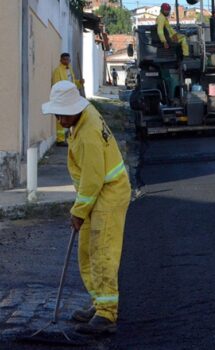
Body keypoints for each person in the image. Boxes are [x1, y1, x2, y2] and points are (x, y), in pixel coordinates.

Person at [42, 81, 131, 335]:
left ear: (74, 108)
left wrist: (78, 212)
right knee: (87, 251)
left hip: (108, 192)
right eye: (57, 114)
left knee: (102, 251)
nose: (59, 119)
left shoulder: (88, 133)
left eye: (62, 113)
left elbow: (92, 179)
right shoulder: (82, 117)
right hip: (98, 191)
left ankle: (107, 314)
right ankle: (99, 302)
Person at [156, 2, 189, 102]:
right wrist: (164, 41)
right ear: (162, 10)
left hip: (171, 37)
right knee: (184, 39)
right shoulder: (161, 18)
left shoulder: (162, 18)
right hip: (170, 39)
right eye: (166, 10)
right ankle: (186, 56)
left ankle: (182, 56)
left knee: (181, 36)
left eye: (168, 10)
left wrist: (175, 34)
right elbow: (160, 31)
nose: (167, 12)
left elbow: (169, 29)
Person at [51, 53, 84, 146]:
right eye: (64, 59)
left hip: (70, 97)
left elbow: (73, 84)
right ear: (61, 60)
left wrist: (79, 83)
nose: (66, 61)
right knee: (61, 118)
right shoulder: (57, 71)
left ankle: (70, 137)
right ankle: (60, 139)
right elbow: (56, 86)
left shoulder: (70, 70)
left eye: (68, 60)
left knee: (71, 117)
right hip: (62, 98)